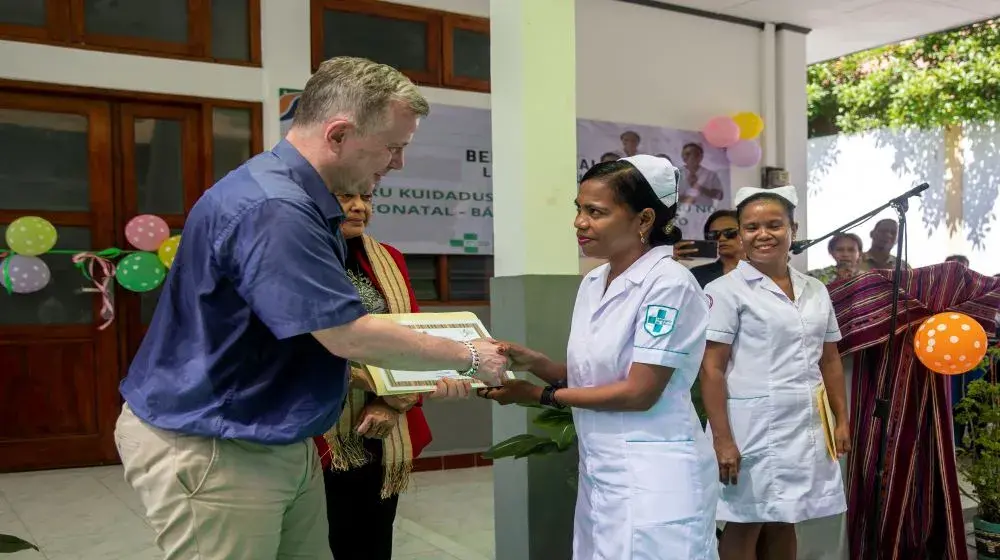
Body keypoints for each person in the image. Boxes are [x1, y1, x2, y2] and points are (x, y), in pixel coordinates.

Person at [113, 56, 509, 559]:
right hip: (219, 441)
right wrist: (467, 356)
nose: (397, 164)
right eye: (393, 148)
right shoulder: (276, 209)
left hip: (276, 435)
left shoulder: (297, 197)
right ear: (339, 134)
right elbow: (346, 333)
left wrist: (405, 383)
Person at [481, 155, 720, 559]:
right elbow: (589, 376)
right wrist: (534, 362)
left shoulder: (669, 285)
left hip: (655, 474)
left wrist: (539, 396)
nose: (579, 222)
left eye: (596, 212)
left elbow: (639, 392)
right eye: (579, 209)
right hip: (603, 471)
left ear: (644, 220)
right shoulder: (595, 280)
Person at [700, 186, 851, 560]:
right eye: (750, 227)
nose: (763, 234)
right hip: (748, 427)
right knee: (744, 522)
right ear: (740, 234)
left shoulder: (815, 289)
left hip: (805, 425)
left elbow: (829, 359)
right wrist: (722, 441)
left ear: (793, 229)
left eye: (774, 224)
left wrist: (841, 420)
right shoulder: (726, 291)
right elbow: (711, 369)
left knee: (788, 518)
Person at [312, 190, 433, 560]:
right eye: (346, 196)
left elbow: (413, 338)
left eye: (367, 196)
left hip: (382, 426)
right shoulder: (302, 259)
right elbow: (302, 345)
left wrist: (391, 402)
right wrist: (379, 384)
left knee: (374, 539)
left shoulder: (389, 259)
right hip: (317, 428)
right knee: (322, 540)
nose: (359, 206)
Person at [690, 209, 743, 288]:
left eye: (729, 233)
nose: (722, 238)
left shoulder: (763, 269)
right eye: (714, 235)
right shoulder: (697, 275)